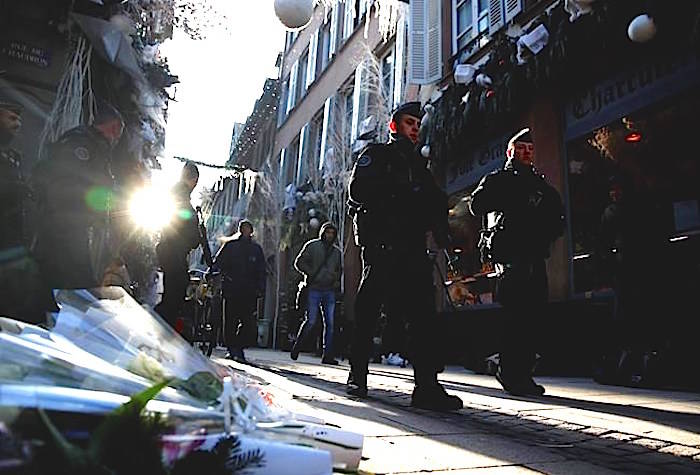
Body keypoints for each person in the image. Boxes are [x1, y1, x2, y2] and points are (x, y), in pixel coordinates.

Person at [346, 101, 463, 411]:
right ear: (395, 126)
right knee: (368, 313)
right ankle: (357, 374)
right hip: (383, 247)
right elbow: (357, 192)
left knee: (424, 317)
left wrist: (442, 230)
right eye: (409, 122)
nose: (414, 128)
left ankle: (426, 386)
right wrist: (398, 192)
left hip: (412, 250)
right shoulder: (378, 155)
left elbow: (435, 204)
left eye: (417, 123)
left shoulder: (420, 167)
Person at [469, 128, 565, 396]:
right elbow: (477, 205)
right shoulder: (499, 179)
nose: (527, 153)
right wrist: (510, 199)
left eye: (530, 149)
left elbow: (558, 218)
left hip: (535, 257)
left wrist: (546, 229)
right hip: (511, 259)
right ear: (510, 152)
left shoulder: (541, 186)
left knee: (532, 318)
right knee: (515, 318)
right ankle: (511, 373)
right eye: (521, 148)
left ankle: (522, 373)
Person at [33, 100, 124, 299]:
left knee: (74, 291)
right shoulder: (80, 144)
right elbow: (65, 188)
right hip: (63, 232)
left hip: (77, 232)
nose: (117, 138)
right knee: (74, 292)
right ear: (114, 127)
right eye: (118, 131)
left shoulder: (96, 148)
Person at [211, 219, 266, 363]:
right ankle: (232, 349)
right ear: (240, 230)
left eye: (248, 228)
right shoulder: (231, 246)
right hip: (232, 289)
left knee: (248, 322)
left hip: (249, 291)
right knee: (230, 320)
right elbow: (218, 262)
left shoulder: (256, 249)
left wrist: (260, 287)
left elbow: (261, 270)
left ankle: (239, 346)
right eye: (244, 228)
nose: (246, 231)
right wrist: (213, 272)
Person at [154, 162, 201, 329]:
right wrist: (195, 233)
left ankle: (161, 327)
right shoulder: (180, 197)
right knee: (174, 295)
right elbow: (185, 230)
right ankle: (157, 326)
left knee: (173, 293)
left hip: (170, 250)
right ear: (193, 180)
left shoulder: (176, 194)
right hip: (173, 251)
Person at [290, 222, 342, 365]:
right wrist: (311, 272)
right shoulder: (312, 246)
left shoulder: (336, 252)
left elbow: (339, 269)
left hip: (329, 289)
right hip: (314, 287)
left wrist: (335, 280)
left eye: (332, 233)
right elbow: (299, 262)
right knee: (311, 321)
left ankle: (328, 355)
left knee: (330, 324)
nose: (330, 235)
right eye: (327, 232)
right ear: (323, 233)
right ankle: (297, 347)